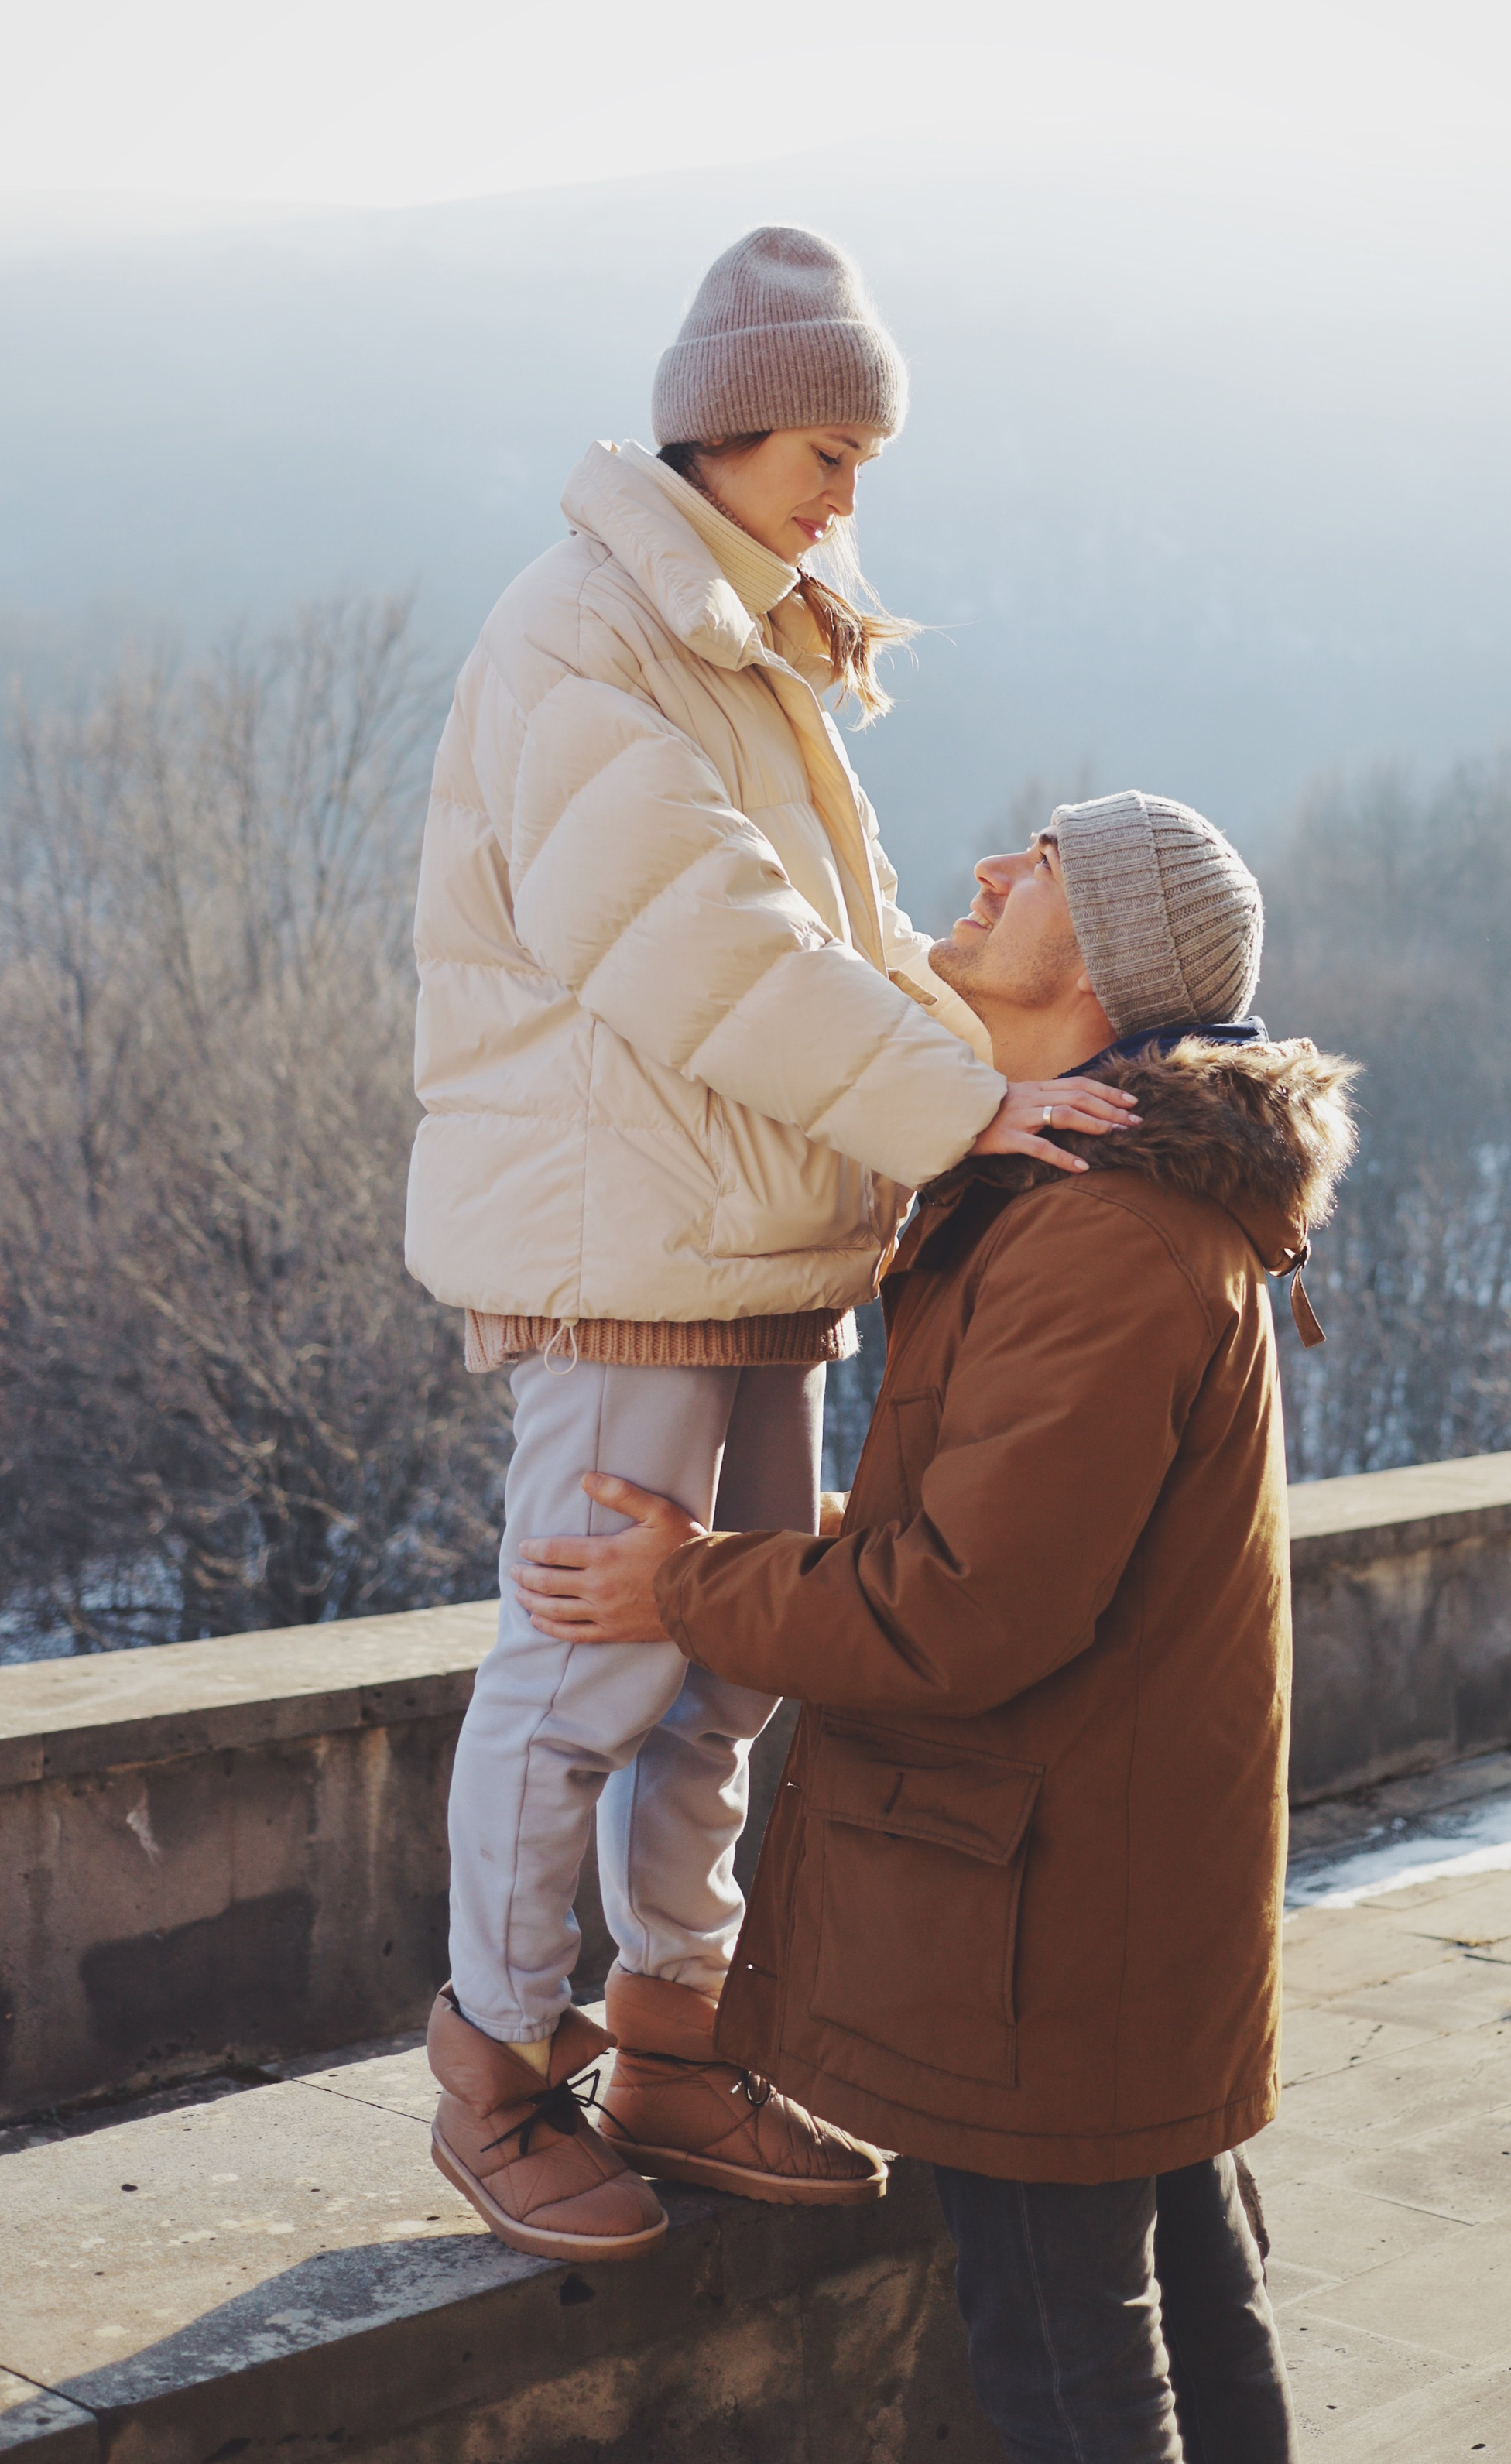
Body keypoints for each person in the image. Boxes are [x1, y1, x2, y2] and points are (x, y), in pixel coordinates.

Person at [405, 225, 1139, 2264]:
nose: (849, 492)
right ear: (721, 428)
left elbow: (838, 944)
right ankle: (496, 2063)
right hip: (625, 1238)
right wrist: (957, 1104)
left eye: (864, 457)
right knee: (588, 1662)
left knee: (721, 1661)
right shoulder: (586, 641)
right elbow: (705, 943)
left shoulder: (741, 639)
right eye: (830, 445)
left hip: (753, 1239)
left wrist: (995, 1076)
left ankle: (671, 2033)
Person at [512, 792, 1357, 2464]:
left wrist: (683, 1584)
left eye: (1043, 862)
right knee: (1194, 2291)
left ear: (1107, 967)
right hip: (1108, 1892)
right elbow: (1009, 1544)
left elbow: (963, 1611)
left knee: (1067, 2368)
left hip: (1043, 1914)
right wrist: (783, 1545)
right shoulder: (1110, 1194)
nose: (986, 869)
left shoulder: (1107, 1233)